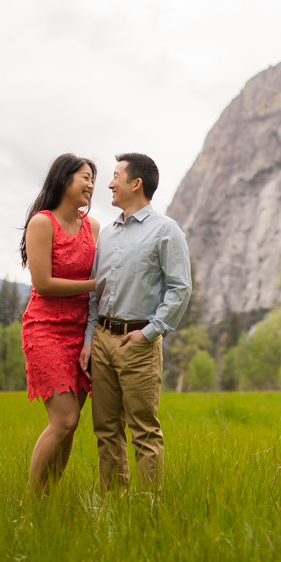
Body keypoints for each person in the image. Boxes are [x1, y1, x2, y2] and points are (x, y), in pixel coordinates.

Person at [78, 152, 191, 491]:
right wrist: (88, 340)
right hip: (102, 339)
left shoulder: (167, 231)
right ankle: (114, 505)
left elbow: (180, 289)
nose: (109, 184)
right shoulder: (107, 234)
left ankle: (145, 510)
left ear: (135, 183)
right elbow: (97, 293)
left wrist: (150, 333)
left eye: (115, 176)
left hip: (138, 343)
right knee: (106, 429)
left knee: (143, 431)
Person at [20, 153, 100, 496]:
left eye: (93, 179)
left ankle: (49, 500)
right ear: (64, 179)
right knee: (64, 419)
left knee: (70, 425)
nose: (92, 185)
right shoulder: (41, 223)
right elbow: (44, 284)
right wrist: (97, 284)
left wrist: (91, 337)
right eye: (85, 177)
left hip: (81, 334)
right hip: (46, 329)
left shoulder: (93, 227)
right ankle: (32, 502)